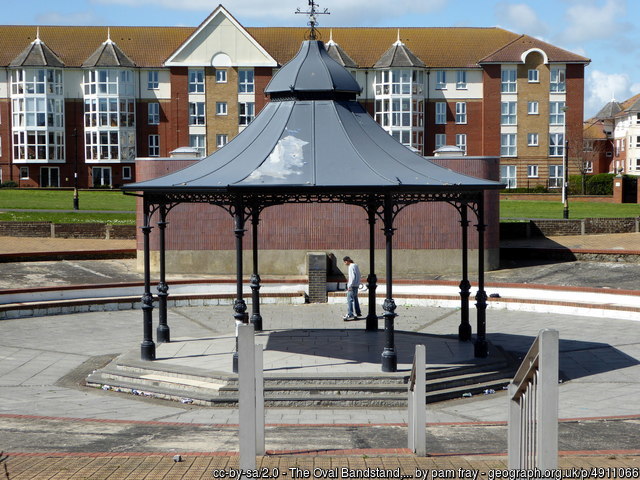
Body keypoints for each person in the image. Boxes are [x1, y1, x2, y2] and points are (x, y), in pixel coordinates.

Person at [342, 256, 361, 320]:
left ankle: (350, 314)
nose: (345, 264)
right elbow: (359, 275)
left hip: (352, 286)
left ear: (347, 261)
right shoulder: (356, 265)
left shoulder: (350, 266)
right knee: (355, 299)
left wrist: (349, 285)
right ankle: (358, 312)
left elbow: (352, 277)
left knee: (349, 300)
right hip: (356, 285)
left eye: (345, 262)